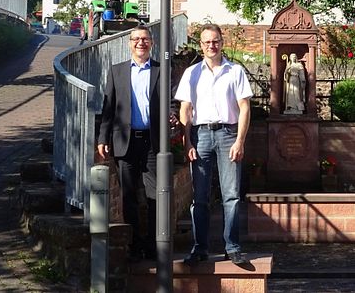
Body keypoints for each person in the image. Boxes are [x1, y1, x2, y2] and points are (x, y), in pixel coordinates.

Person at [175, 23, 253, 266]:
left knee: (231, 196)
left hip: (228, 134)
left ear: (222, 42)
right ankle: (200, 248)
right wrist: (186, 140)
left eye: (215, 41)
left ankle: (232, 247)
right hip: (201, 136)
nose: (212, 45)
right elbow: (185, 109)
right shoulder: (192, 73)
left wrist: (240, 140)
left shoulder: (235, 71)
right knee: (200, 196)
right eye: (207, 42)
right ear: (201, 45)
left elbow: (244, 108)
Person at [97, 26, 159, 261]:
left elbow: (168, 104)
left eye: (144, 39)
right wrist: (103, 138)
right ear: (129, 43)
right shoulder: (117, 71)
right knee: (129, 197)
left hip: (153, 143)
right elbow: (108, 108)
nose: (140, 43)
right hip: (126, 142)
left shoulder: (160, 70)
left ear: (151, 43)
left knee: (155, 196)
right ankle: (134, 246)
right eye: (136, 39)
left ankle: (154, 245)